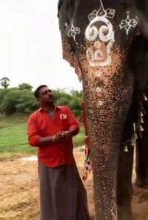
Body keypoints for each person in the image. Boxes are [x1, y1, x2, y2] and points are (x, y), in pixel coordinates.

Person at [27, 85, 90, 220]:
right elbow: (32, 139)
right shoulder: (34, 118)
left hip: (67, 159)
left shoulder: (64, 110)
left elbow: (75, 126)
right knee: (53, 196)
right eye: (45, 93)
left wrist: (69, 133)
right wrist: (53, 139)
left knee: (73, 191)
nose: (49, 93)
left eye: (50, 91)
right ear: (39, 99)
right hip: (48, 163)